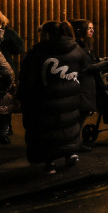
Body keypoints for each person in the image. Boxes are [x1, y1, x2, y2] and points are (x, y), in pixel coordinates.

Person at [16, 21, 89, 173]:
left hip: (44, 102)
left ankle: (50, 163)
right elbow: (85, 72)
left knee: (47, 133)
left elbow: (27, 79)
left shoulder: (37, 54)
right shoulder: (77, 50)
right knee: (68, 127)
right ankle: (70, 153)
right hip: (71, 101)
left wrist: (23, 98)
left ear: (47, 34)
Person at [0, 10, 20, 144]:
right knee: (4, 102)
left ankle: (4, 131)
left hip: (4, 72)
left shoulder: (8, 33)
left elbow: (19, 48)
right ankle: (4, 131)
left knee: (4, 102)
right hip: (5, 72)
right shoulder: (7, 33)